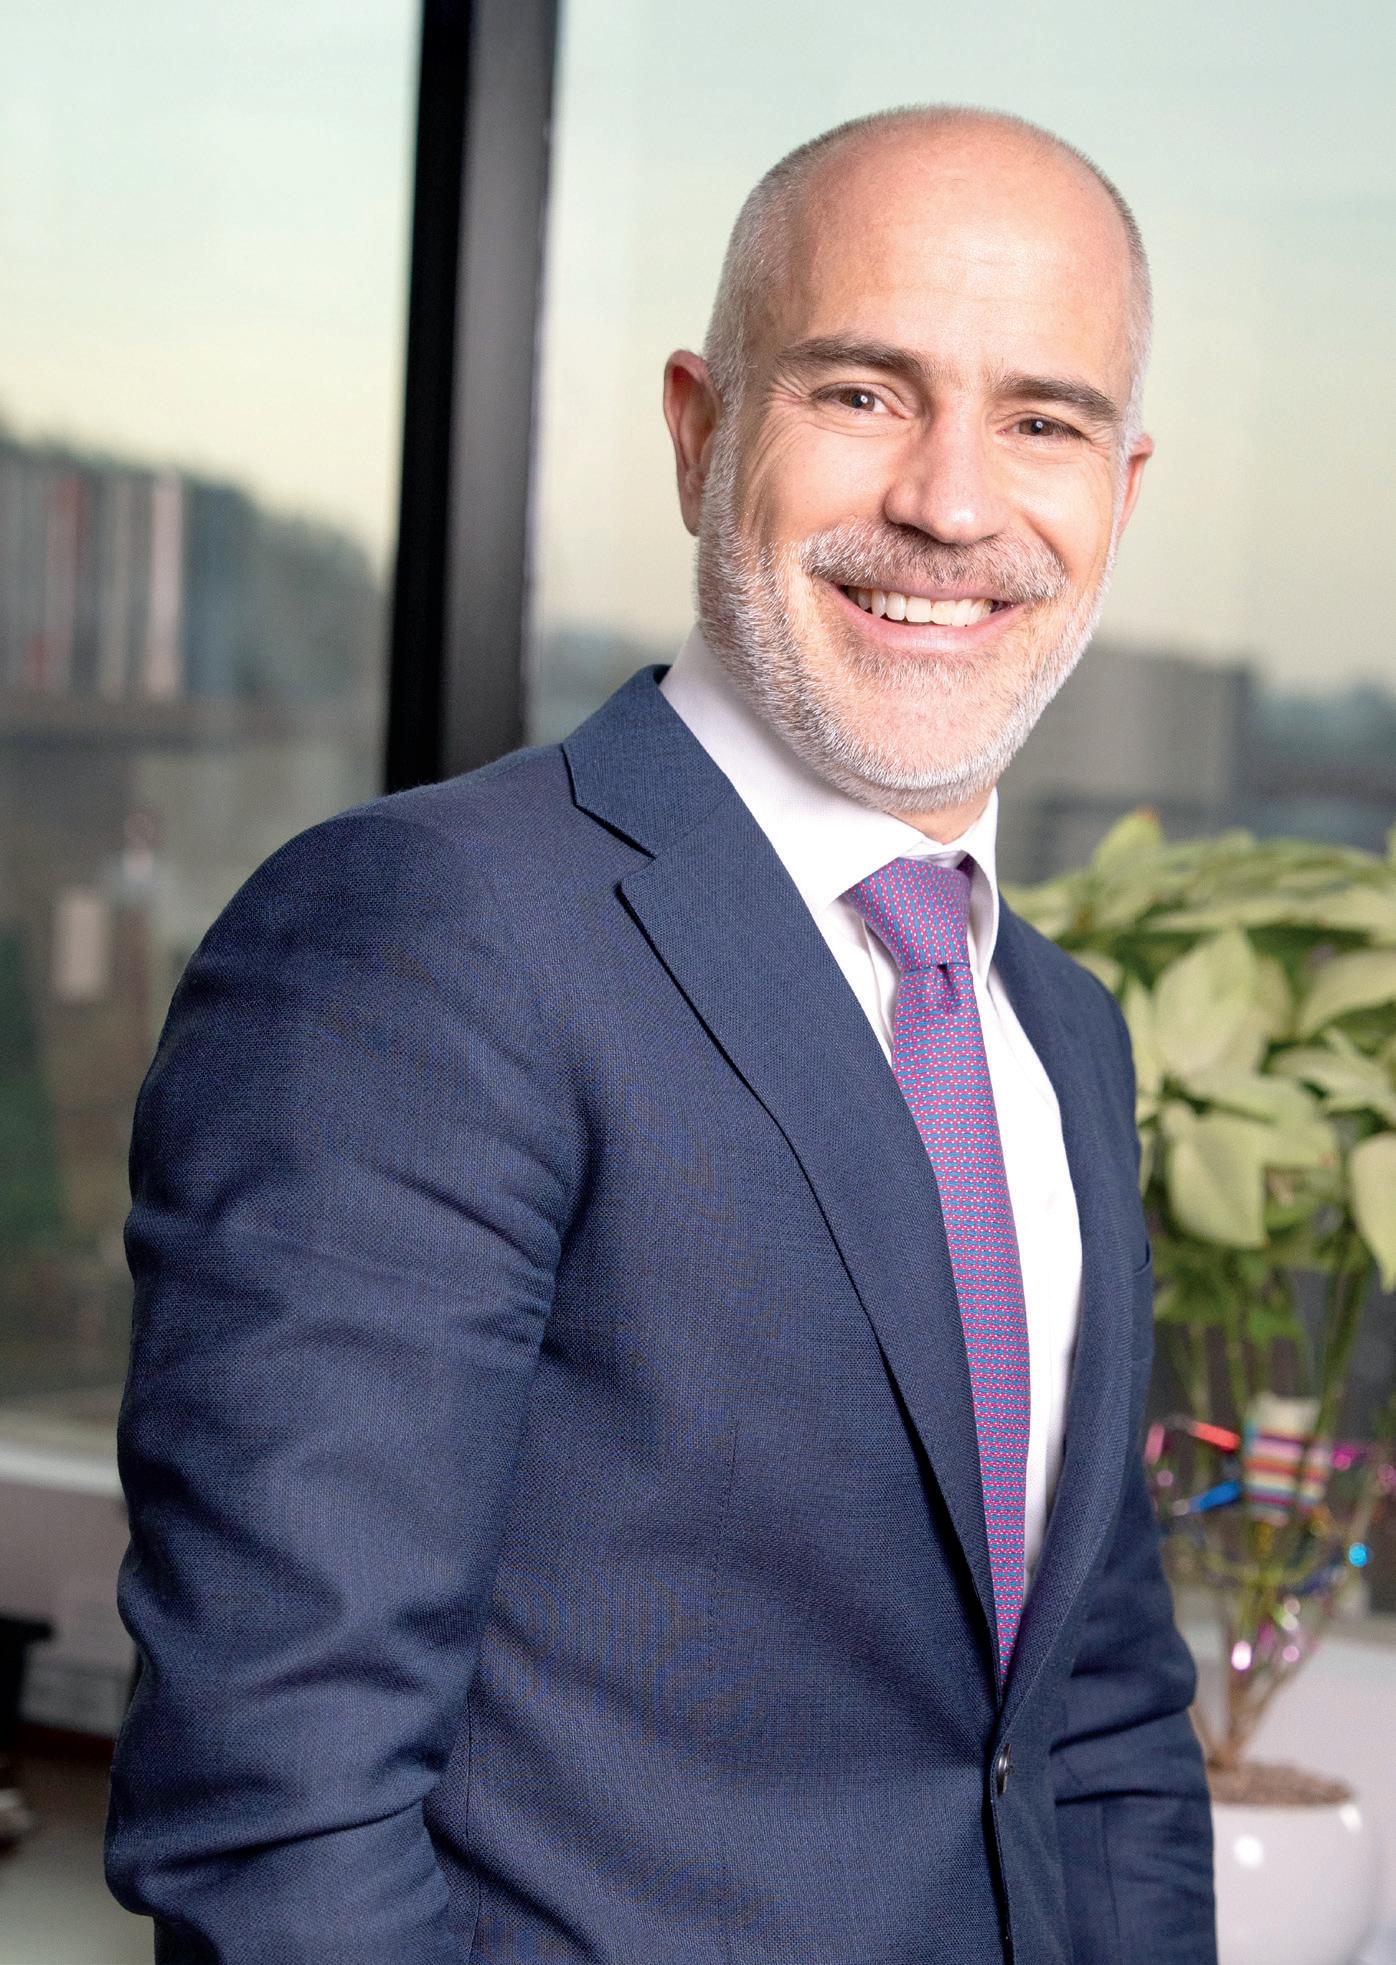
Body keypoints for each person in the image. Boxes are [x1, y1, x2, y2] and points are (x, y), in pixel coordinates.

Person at [105, 103, 1217, 1963]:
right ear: (702, 432)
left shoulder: (1062, 1034)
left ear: (1124, 485)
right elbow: (278, 1811)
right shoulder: (424, 938)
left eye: (1044, 420)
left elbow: (1092, 1725)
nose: (954, 502)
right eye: (861, 391)